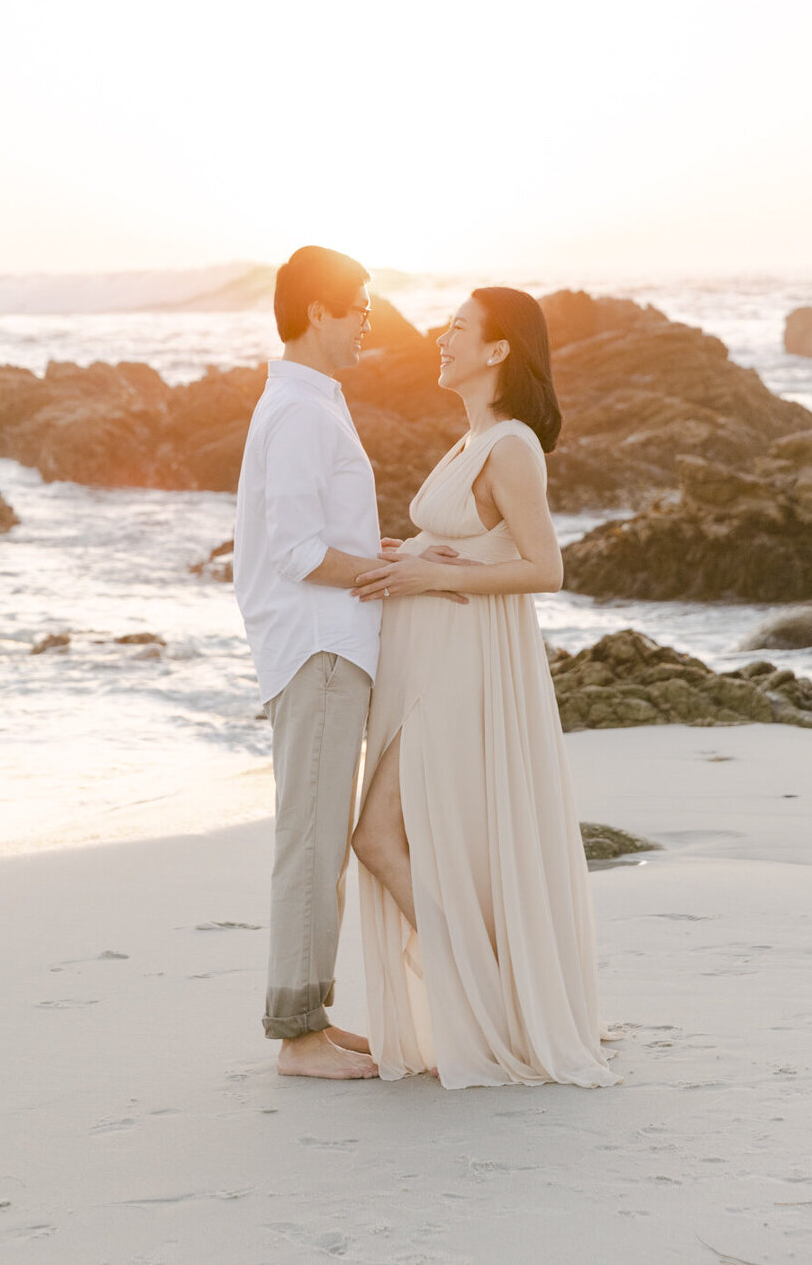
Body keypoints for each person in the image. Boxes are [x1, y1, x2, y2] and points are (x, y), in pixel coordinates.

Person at [350, 287, 618, 1089]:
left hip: (462, 666)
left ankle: (493, 1001)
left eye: (459, 328)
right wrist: (418, 549)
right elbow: (476, 540)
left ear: (498, 351)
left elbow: (548, 568)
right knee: (423, 838)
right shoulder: (470, 440)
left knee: (378, 836)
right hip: (428, 659)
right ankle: (494, 996)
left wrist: (428, 570)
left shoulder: (511, 446)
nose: (442, 336)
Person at [233, 245, 386, 1080]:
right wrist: (384, 571)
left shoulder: (309, 402)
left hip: (331, 645)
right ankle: (298, 1035)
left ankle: (314, 1016)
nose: (369, 316)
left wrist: (374, 550)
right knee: (312, 839)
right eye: (359, 303)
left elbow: (317, 536)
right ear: (318, 311)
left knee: (323, 837)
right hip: (319, 650)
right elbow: (295, 550)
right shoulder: (299, 412)